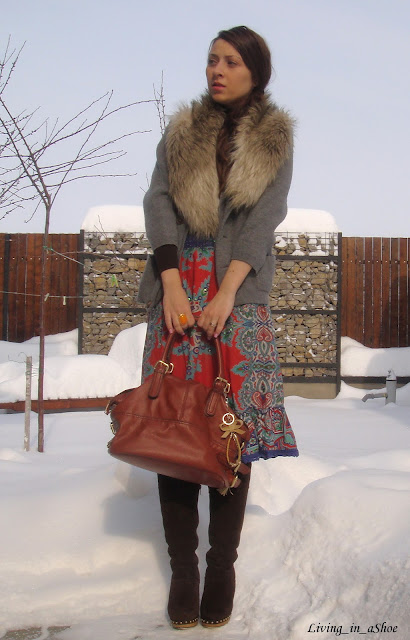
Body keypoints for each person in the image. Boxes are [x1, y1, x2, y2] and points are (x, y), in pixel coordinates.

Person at [138, 25, 299, 630]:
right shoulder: (181, 132)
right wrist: (172, 281)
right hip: (178, 290)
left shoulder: (274, 137)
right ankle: (183, 572)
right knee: (173, 428)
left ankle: (221, 566)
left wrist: (227, 292)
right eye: (212, 60)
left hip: (240, 297)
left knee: (232, 432)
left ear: (256, 70)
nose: (217, 70)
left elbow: (265, 217)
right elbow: (158, 200)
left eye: (230, 61)